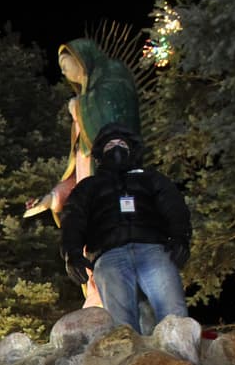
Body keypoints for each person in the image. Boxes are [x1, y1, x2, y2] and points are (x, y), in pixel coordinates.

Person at [26, 38, 143, 309]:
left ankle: (118, 307)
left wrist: (80, 107)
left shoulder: (113, 75)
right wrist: (52, 197)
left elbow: (115, 106)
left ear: (83, 61)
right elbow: (76, 178)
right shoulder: (83, 144)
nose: (65, 73)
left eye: (67, 66)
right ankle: (99, 303)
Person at [59, 123, 191, 334]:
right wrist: (71, 252)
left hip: (153, 250)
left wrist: (180, 237)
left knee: (174, 316)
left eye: (122, 143)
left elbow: (174, 207)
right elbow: (73, 219)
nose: (116, 148)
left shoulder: (150, 178)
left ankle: (182, 363)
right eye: (110, 144)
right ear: (101, 152)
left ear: (132, 149)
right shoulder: (89, 186)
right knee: (122, 328)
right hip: (109, 256)